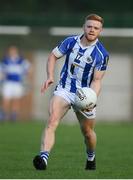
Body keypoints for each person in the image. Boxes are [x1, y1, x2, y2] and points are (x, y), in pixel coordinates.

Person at [33, 14, 109, 170]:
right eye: (89, 26)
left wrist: (91, 100)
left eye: (96, 28)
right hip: (64, 89)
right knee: (52, 121)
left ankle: (91, 156)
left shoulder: (102, 54)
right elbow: (53, 56)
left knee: (88, 133)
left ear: (100, 31)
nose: (92, 30)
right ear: (84, 26)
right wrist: (49, 76)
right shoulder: (70, 41)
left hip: (85, 95)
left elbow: (97, 81)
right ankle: (43, 158)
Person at [0, 45, 31, 121]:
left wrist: (26, 77)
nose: (12, 52)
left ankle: (14, 116)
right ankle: (3, 115)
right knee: (5, 99)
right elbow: (1, 71)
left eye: (13, 50)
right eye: (11, 50)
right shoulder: (5, 61)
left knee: (16, 100)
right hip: (8, 83)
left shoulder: (21, 61)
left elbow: (29, 69)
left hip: (17, 83)